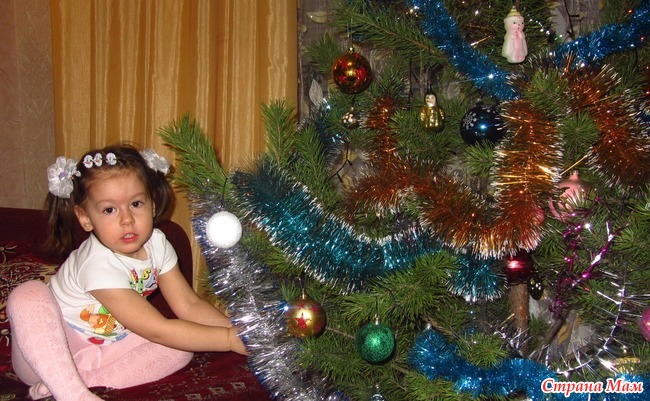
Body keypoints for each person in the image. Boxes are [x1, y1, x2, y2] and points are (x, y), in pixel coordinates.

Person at [7, 144, 246, 401]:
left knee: (181, 348)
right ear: (85, 218)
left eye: (136, 203)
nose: (127, 219)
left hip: (106, 351)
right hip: (46, 352)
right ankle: (72, 393)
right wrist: (228, 339)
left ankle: (72, 384)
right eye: (109, 210)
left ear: (152, 205)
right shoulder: (97, 262)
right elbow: (157, 328)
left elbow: (189, 305)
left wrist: (242, 333)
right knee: (28, 294)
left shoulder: (158, 244)